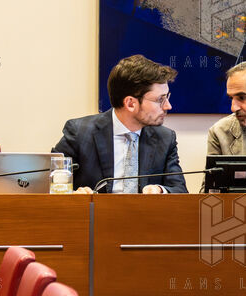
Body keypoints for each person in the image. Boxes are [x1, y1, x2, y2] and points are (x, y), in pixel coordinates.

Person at [53, 55, 186, 193]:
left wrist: (160, 190)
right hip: (95, 207)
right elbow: (51, 182)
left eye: (167, 97)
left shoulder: (165, 138)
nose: (168, 106)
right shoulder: (79, 133)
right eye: (160, 99)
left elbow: (180, 190)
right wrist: (74, 195)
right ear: (130, 103)